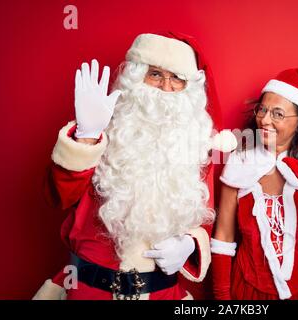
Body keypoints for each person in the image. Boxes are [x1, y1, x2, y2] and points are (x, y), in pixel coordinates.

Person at [33, 32, 229, 300]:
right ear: (136, 78)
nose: (166, 87)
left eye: (177, 78)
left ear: (189, 89)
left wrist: (189, 244)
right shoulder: (104, 130)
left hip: (161, 293)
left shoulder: (196, 147)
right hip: (89, 290)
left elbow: (203, 220)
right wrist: (86, 135)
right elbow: (58, 196)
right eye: (156, 74)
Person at [210, 68, 298, 300]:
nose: (264, 120)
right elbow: (224, 236)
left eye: (278, 114)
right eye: (263, 110)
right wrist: (221, 296)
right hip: (247, 291)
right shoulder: (241, 160)